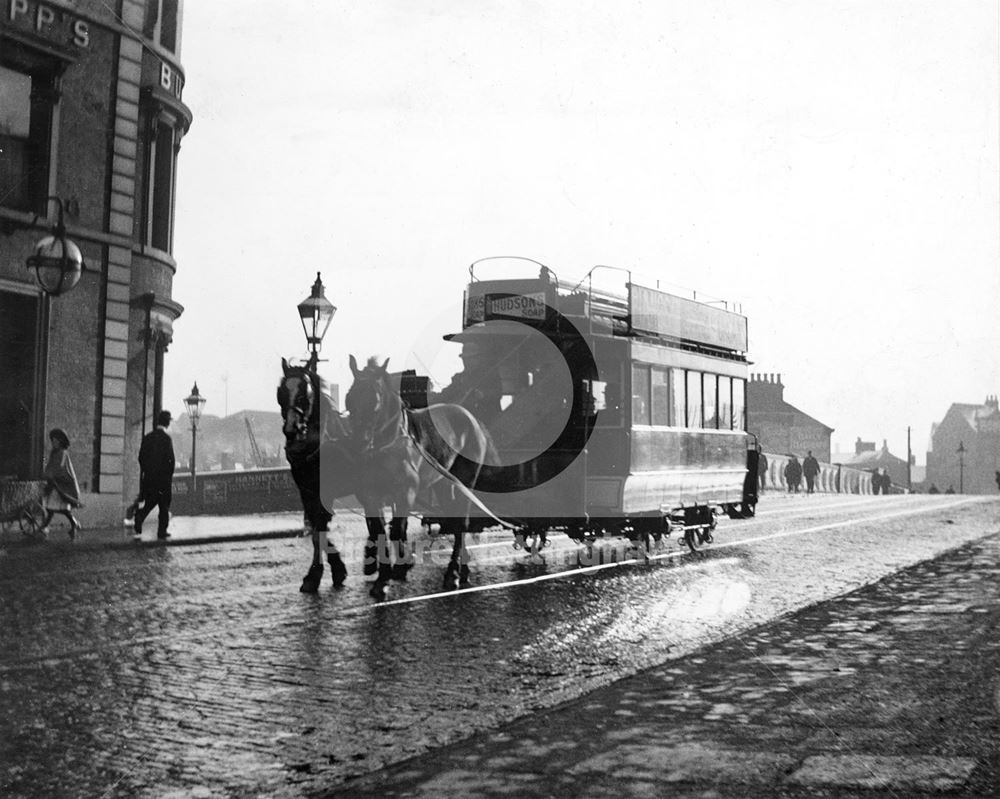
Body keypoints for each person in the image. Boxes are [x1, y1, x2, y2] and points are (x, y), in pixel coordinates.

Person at [134, 410, 176, 540]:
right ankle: (161, 531)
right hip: (163, 479)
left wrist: (147, 471)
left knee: (151, 501)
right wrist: (168, 475)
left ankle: (140, 516)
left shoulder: (148, 437)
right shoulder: (166, 439)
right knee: (164, 505)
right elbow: (171, 460)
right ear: (167, 423)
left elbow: (141, 457)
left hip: (150, 478)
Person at [39, 428, 82, 539]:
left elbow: (60, 468)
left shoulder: (63, 453)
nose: (53, 443)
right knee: (52, 508)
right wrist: (46, 473)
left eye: (55, 441)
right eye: (52, 441)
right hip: (55, 484)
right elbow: (50, 466)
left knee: (60, 509)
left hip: (61, 485)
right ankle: (46, 526)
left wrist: (51, 474)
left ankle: (73, 524)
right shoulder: (54, 453)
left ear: (60, 442)